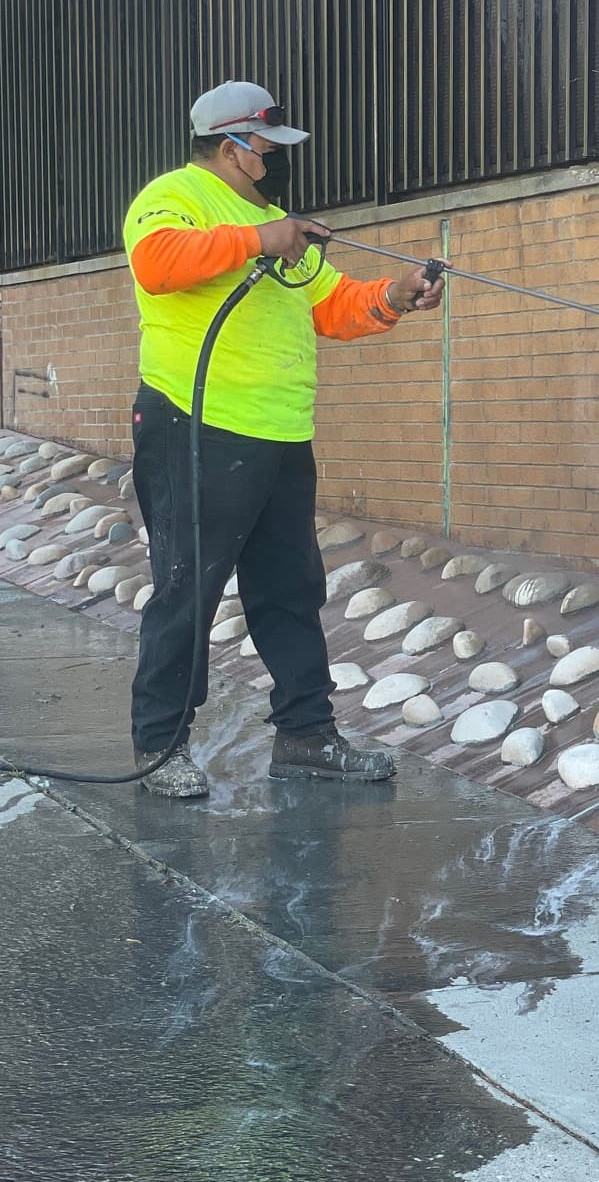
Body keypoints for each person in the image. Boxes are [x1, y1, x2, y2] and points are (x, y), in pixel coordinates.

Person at [123, 80, 443, 799]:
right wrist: (260, 238)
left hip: (279, 436)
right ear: (234, 146)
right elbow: (158, 261)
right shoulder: (174, 195)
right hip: (195, 426)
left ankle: (305, 735)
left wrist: (393, 296)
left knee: (290, 589)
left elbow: (331, 304)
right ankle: (159, 746)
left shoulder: (275, 221)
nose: (275, 159)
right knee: (187, 588)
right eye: (269, 147)